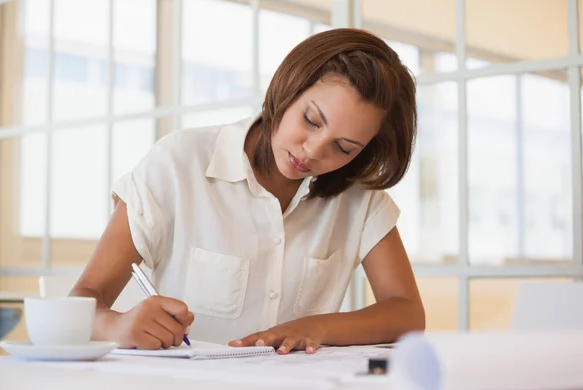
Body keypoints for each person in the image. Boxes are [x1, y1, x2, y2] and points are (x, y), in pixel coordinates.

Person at [70, 27, 425, 355]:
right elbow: (81, 302)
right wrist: (117, 325)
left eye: (345, 148)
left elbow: (407, 313)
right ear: (289, 87)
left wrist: (316, 327)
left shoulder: (357, 195)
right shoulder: (179, 163)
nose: (314, 150)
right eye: (311, 121)